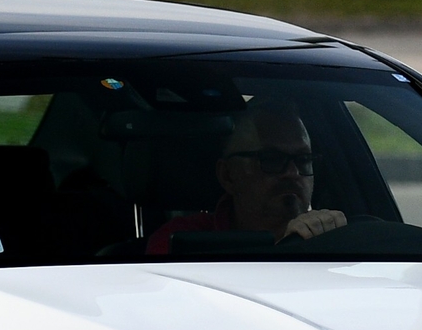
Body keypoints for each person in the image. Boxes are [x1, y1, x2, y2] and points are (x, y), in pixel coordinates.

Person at [146, 97, 348, 254]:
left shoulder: (333, 236)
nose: (292, 173)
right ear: (228, 175)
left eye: (304, 159)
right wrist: (285, 249)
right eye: (271, 159)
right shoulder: (182, 241)